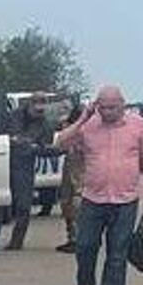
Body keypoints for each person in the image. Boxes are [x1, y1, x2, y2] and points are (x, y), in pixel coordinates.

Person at [52, 85, 143, 285]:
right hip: (93, 198)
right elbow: (60, 143)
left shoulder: (139, 126)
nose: (108, 112)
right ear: (96, 106)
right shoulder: (88, 125)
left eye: (112, 107)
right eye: (103, 107)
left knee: (118, 251)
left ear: (123, 104)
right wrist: (82, 119)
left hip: (126, 198)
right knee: (85, 246)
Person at [0, 100, 45, 250]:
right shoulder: (13, 116)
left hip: (24, 166)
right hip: (3, 161)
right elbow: (7, 136)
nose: (39, 114)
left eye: (42, 111)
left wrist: (27, 144)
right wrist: (26, 142)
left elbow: (43, 145)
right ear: (29, 105)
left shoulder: (43, 122)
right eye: (37, 110)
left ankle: (17, 241)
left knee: (23, 206)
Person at [54, 98, 87, 253]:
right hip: (72, 160)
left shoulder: (84, 127)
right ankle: (73, 237)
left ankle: (78, 238)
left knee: (76, 200)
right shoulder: (70, 126)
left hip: (81, 162)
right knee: (66, 200)